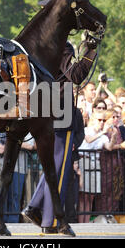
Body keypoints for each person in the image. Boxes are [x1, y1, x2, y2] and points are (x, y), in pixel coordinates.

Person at [21, 34, 99, 235]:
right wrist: (90, 51)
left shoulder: (38, 46)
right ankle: (50, 220)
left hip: (46, 113)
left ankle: (35, 207)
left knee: (53, 167)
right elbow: (76, 75)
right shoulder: (61, 48)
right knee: (60, 172)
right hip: (60, 113)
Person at [77, 110, 114, 223]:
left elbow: (109, 147)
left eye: (104, 120)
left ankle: (86, 223)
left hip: (95, 163)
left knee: (91, 196)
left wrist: (113, 136)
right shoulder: (86, 130)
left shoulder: (103, 136)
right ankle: (81, 223)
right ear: (93, 120)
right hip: (84, 161)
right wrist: (103, 132)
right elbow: (88, 140)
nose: (102, 122)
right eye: (99, 120)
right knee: (83, 196)